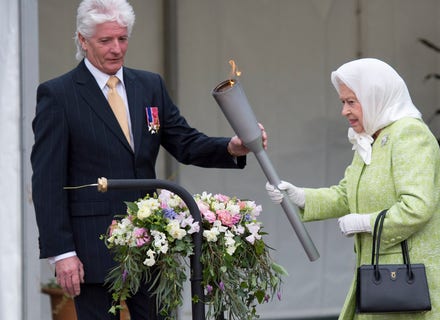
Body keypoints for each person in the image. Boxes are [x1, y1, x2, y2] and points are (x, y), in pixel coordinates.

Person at [30, 0, 266, 319]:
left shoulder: (149, 85)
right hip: (91, 249)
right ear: (82, 41)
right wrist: (62, 252)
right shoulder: (58, 95)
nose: (116, 48)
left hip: (151, 247)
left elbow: (184, 141)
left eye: (123, 38)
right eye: (105, 40)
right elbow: (47, 181)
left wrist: (231, 147)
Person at [266, 58, 440, 319]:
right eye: (342, 102)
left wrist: (366, 223)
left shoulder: (410, 135)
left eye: (351, 101)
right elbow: (348, 194)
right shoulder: (371, 137)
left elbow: (417, 207)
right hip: (382, 280)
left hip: (413, 281)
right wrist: (301, 196)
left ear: (375, 96)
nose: (344, 111)